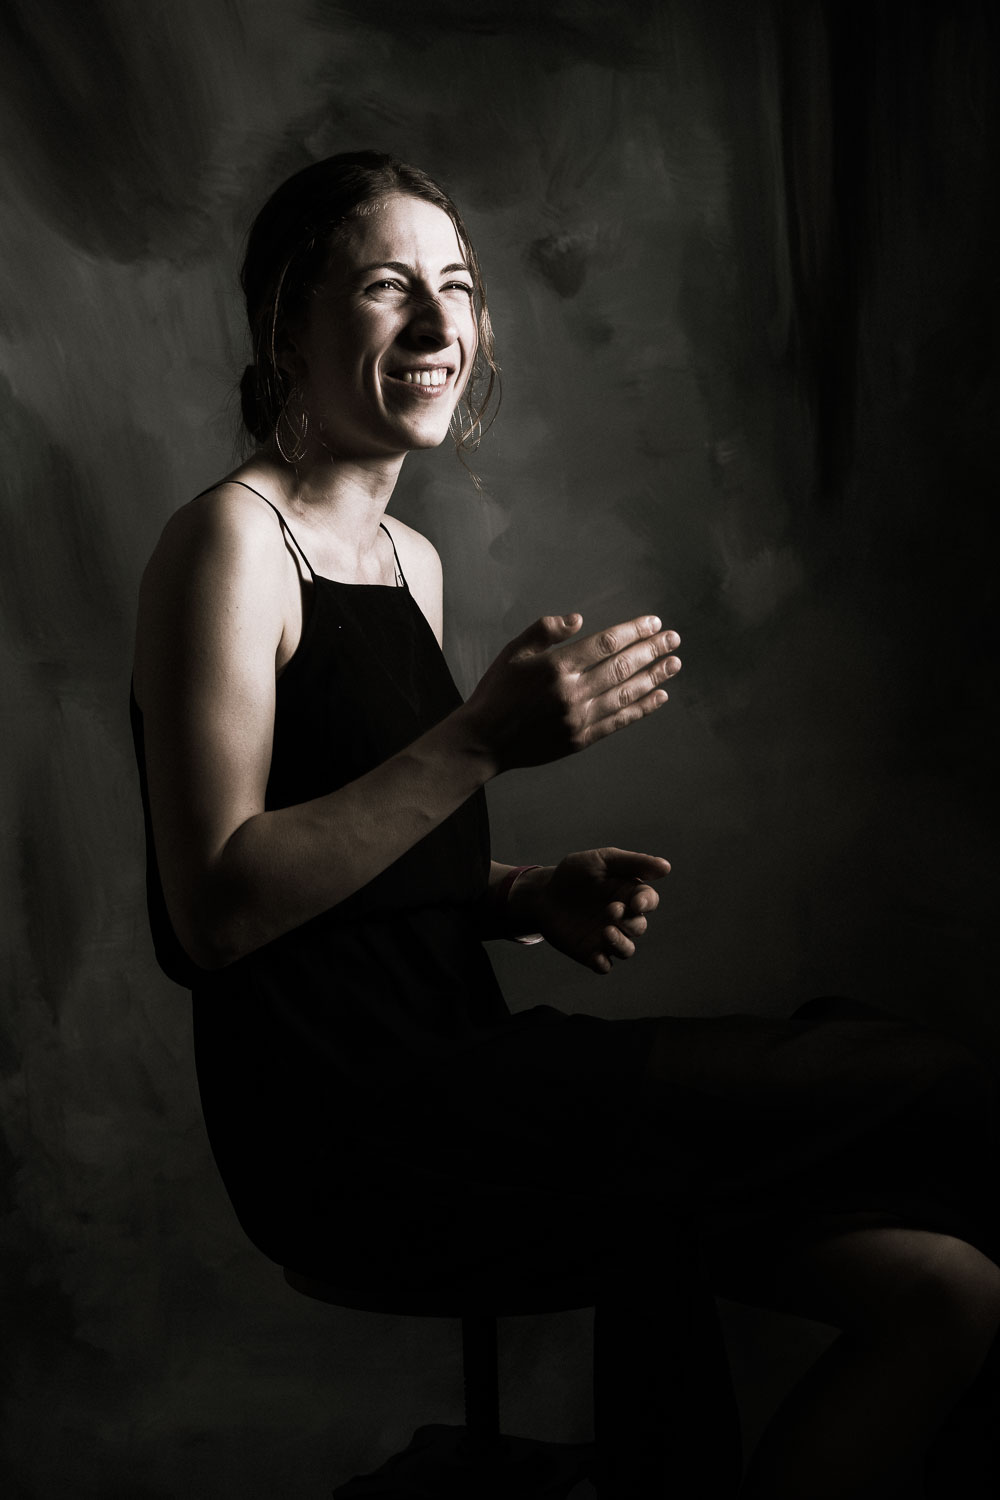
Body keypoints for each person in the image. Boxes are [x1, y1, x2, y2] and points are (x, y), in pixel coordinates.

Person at [131, 151, 1000, 1497]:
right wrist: (480, 739)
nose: (439, 323)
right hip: (356, 1127)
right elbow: (218, 908)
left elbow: (358, 849)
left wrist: (517, 894)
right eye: (387, 287)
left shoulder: (410, 561)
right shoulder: (230, 545)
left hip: (475, 1075)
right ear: (285, 327)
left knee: (945, 1292)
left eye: (457, 286)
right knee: (914, 1084)